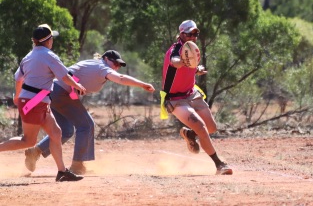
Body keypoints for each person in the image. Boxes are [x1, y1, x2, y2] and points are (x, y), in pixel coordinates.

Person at [24, 50, 155, 174]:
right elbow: (120, 78)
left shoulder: (95, 65)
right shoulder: (101, 67)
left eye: (118, 66)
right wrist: (142, 84)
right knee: (86, 125)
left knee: (65, 130)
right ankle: (77, 166)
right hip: (59, 92)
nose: (116, 67)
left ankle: (35, 151)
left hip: (52, 92)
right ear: (105, 59)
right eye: (115, 63)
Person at [1, 24, 86, 182]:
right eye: (52, 37)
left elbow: (18, 78)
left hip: (36, 100)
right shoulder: (49, 55)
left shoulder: (29, 56)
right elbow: (64, 76)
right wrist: (77, 85)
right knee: (29, 141)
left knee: (56, 133)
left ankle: (62, 172)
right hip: (35, 101)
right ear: (48, 40)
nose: (52, 40)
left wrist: (17, 96)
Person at [162, 20, 233, 175]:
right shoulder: (176, 49)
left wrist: (196, 69)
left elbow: (189, 66)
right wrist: (182, 61)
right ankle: (219, 164)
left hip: (191, 93)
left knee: (212, 127)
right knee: (201, 127)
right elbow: (174, 61)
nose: (193, 37)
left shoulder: (192, 48)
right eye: (190, 33)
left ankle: (189, 134)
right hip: (175, 99)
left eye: (195, 34)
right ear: (181, 34)